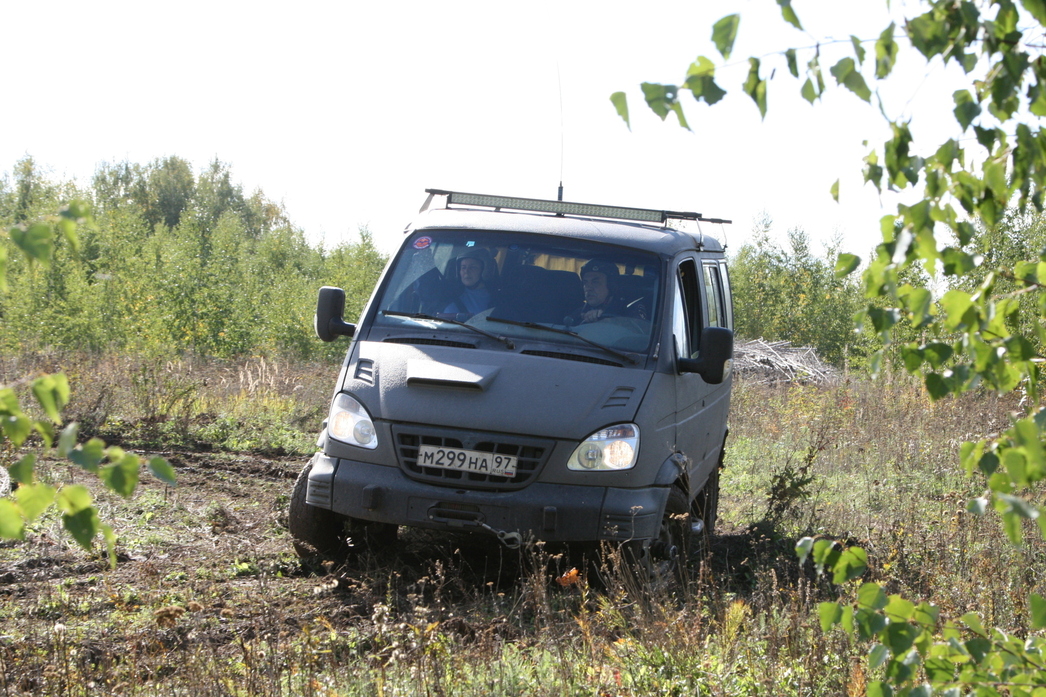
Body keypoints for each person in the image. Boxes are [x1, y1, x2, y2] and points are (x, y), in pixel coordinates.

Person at [567, 259, 648, 325]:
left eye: (595, 282)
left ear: (611, 286)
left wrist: (606, 320)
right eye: (585, 283)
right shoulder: (578, 313)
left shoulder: (630, 309)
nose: (588, 288)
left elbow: (638, 332)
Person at [443, 247, 497, 318]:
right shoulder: (449, 292)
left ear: (485, 270)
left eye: (473, 267)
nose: (466, 271)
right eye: (463, 267)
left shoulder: (496, 299)